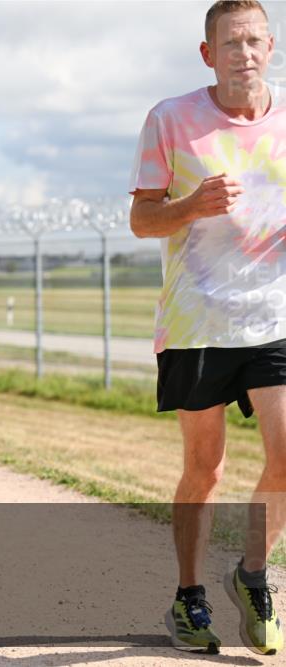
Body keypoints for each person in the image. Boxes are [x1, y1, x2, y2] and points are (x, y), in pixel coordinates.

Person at [130, 0, 283, 655]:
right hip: (197, 321)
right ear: (208, 54)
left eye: (254, 41)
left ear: (271, 47)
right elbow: (142, 219)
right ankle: (189, 597)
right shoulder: (172, 118)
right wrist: (191, 205)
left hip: (274, 318)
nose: (243, 53)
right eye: (230, 43)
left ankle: (251, 572)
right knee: (205, 469)